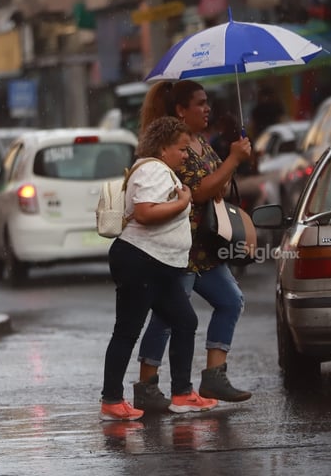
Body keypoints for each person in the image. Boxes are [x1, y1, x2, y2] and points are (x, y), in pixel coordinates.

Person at [133, 80, 254, 412]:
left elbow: (218, 187)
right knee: (170, 316)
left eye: (207, 102)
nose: (207, 109)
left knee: (231, 300)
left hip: (206, 248)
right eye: (199, 103)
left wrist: (233, 161)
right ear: (180, 110)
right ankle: (147, 385)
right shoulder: (171, 149)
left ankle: (214, 375)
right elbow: (200, 191)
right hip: (179, 249)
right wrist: (232, 160)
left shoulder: (201, 143)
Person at [100, 116, 218, 421]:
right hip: (141, 261)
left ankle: (182, 394)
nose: (186, 155)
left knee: (184, 321)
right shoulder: (153, 169)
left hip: (160, 264)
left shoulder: (162, 169)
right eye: (181, 149)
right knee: (127, 330)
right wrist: (182, 203)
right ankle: (111, 400)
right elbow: (145, 213)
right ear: (163, 148)